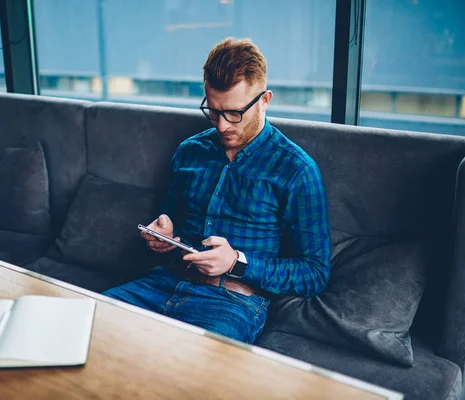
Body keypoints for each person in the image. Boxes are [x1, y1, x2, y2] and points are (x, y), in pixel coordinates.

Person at [103, 38, 331, 344]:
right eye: (213, 112)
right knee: (82, 324)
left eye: (235, 113)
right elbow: (168, 219)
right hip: (163, 282)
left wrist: (237, 262)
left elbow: (314, 272)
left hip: (231, 303)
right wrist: (164, 234)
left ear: (264, 100)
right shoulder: (189, 152)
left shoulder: (296, 171)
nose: (222, 126)